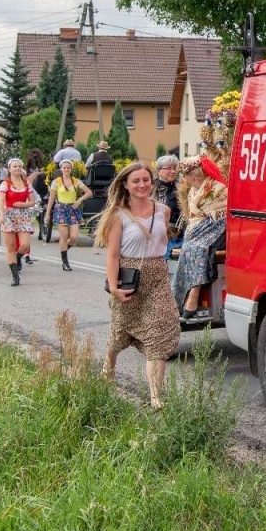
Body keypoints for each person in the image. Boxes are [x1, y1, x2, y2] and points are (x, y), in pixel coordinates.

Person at [96, 162, 179, 407]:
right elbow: (112, 255)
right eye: (136, 181)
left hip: (157, 276)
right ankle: (109, 363)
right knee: (120, 332)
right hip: (128, 275)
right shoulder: (117, 215)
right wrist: (113, 287)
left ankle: (156, 396)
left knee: (160, 331)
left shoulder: (163, 211)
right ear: (125, 184)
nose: (142, 185)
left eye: (146, 180)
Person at [172, 157, 227, 320]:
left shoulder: (218, 189)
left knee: (198, 249)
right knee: (188, 250)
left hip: (217, 227)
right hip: (198, 227)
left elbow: (221, 212)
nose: (184, 179)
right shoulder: (193, 191)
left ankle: (193, 295)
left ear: (194, 175)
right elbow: (194, 215)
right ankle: (182, 296)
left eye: (186, 175)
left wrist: (202, 223)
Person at [44, 158, 94, 271]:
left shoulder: (76, 181)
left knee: (74, 237)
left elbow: (89, 192)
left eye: (68, 168)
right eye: (64, 167)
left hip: (73, 209)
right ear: (61, 169)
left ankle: (64, 250)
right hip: (61, 209)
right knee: (64, 236)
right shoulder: (56, 182)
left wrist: (80, 199)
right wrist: (47, 215)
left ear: (71, 169)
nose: (66, 169)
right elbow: (51, 199)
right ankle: (65, 261)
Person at [0, 157, 40, 286]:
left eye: (19, 166)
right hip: (9, 215)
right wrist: (1, 215)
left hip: (23, 215)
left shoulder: (27, 183)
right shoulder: (5, 183)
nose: (17, 168)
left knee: (25, 245)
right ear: (9, 169)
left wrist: (23, 204)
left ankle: (19, 257)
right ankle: (15, 276)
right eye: (14, 166)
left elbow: (32, 201)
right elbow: (0, 200)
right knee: (10, 247)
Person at [154, 154, 181, 254]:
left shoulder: (181, 188)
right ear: (158, 171)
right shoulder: (151, 188)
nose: (173, 171)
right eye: (169, 168)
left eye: (175, 168)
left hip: (177, 234)